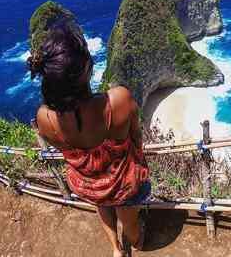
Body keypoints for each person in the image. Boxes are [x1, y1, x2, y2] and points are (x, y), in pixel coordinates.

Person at [29, 20, 149, 257]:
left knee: (102, 205)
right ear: (85, 69)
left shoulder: (44, 118)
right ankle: (137, 242)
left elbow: (65, 148)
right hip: (123, 183)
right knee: (131, 222)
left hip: (88, 183)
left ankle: (115, 249)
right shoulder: (118, 100)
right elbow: (136, 136)